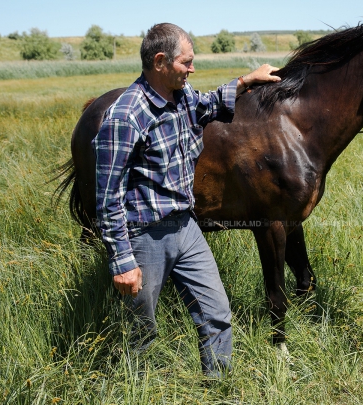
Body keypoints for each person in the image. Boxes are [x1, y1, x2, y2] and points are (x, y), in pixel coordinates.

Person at [93, 23, 280, 377]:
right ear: (161, 61)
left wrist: (246, 80)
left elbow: (208, 104)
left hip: (186, 228)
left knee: (216, 313)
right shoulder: (126, 117)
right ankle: (138, 392)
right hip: (144, 236)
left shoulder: (182, 96)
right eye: (187, 62)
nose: (192, 69)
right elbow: (107, 196)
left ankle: (218, 388)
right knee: (140, 331)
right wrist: (121, 260)